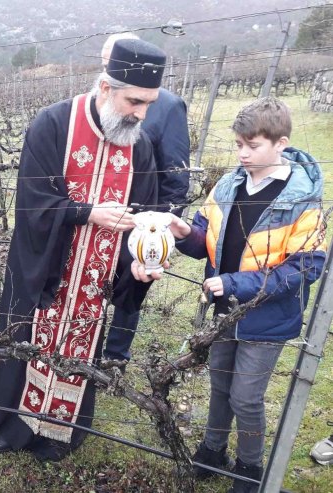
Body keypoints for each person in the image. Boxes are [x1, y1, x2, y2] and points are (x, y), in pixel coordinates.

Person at [133, 97, 326, 492]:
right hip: (223, 309)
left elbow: (305, 268)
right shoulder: (228, 184)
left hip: (265, 319)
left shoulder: (303, 200)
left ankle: (249, 468)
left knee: (246, 398)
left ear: (281, 143)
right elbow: (209, 241)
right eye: (239, 145)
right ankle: (212, 450)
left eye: (252, 146)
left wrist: (237, 284)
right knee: (220, 386)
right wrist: (185, 232)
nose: (242, 154)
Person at [0, 38, 164, 461]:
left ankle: (60, 432)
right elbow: (32, 204)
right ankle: (15, 427)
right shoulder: (53, 124)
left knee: (81, 346)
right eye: (133, 101)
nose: (140, 113)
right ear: (105, 88)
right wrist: (88, 213)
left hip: (95, 280)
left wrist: (141, 260)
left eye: (148, 104)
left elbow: (144, 215)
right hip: (45, 269)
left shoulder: (141, 145)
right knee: (27, 343)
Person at [100, 33, 190, 367]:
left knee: (132, 288)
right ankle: (87, 346)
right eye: (105, 62)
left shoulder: (167, 106)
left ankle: (115, 355)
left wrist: (161, 229)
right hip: (99, 219)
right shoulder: (101, 101)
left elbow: (176, 172)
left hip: (142, 220)